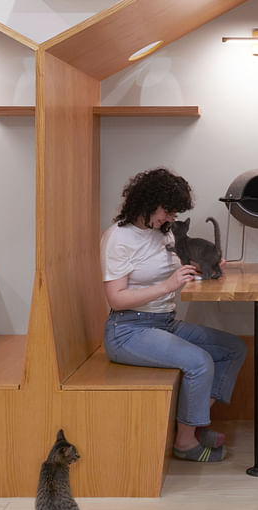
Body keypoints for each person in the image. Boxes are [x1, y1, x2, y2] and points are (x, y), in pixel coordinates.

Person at [100, 167, 246, 462]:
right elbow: (116, 299)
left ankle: (193, 422)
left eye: (173, 213)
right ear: (147, 201)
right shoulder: (118, 238)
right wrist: (167, 285)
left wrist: (211, 264)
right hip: (128, 331)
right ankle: (185, 442)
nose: (170, 218)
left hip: (164, 322)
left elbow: (184, 267)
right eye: (167, 211)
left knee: (234, 348)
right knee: (200, 362)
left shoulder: (162, 234)